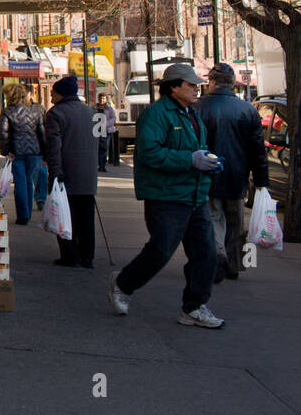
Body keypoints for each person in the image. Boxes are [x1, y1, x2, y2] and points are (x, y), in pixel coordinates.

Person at [109, 64, 224, 328]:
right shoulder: (156, 114)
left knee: (205, 254)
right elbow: (149, 154)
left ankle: (194, 307)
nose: (197, 89)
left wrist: (206, 160)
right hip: (166, 196)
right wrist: (190, 160)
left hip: (195, 195)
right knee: (161, 250)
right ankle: (123, 284)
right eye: (191, 85)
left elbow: (197, 148)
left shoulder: (191, 114)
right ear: (174, 87)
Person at [196, 62, 270, 283]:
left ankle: (218, 255)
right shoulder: (247, 110)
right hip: (238, 176)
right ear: (231, 83)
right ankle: (235, 264)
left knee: (213, 217)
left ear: (212, 81)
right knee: (236, 221)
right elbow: (258, 150)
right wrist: (261, 180)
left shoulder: (199, 107)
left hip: (208, 173)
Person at [44, 75, 99, 268]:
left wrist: (55, 172)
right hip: (89, 175)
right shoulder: (92, 113)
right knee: (87, 218)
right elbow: (100, 144)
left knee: (65, 216)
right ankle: (87, 257)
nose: (51, 97)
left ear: (61, 94)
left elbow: (54, 147)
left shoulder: (55, 114)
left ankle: (70, 255)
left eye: (53, 93)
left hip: (66, 173)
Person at [0, 82, 47, 225]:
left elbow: (3, 133)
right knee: (28, 181)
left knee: (19, 182)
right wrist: (45, 153)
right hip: (34, 151)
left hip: (16, 152)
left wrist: (5, 151)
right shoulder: (35, 111)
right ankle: (28, 212)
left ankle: (23, 215)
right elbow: (42, 133)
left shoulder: (8, 112)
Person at [95, 95, 117, 172]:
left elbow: (113, 118)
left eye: (103, 98)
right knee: (97, 148)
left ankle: (102, 165)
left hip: (106, 131)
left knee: (104, 148)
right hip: (96, 131)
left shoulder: (109, 108)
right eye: (100, 98)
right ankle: (98, 165)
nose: (102, 99)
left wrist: (105, 124)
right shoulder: (95, 108)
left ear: (106, 99)